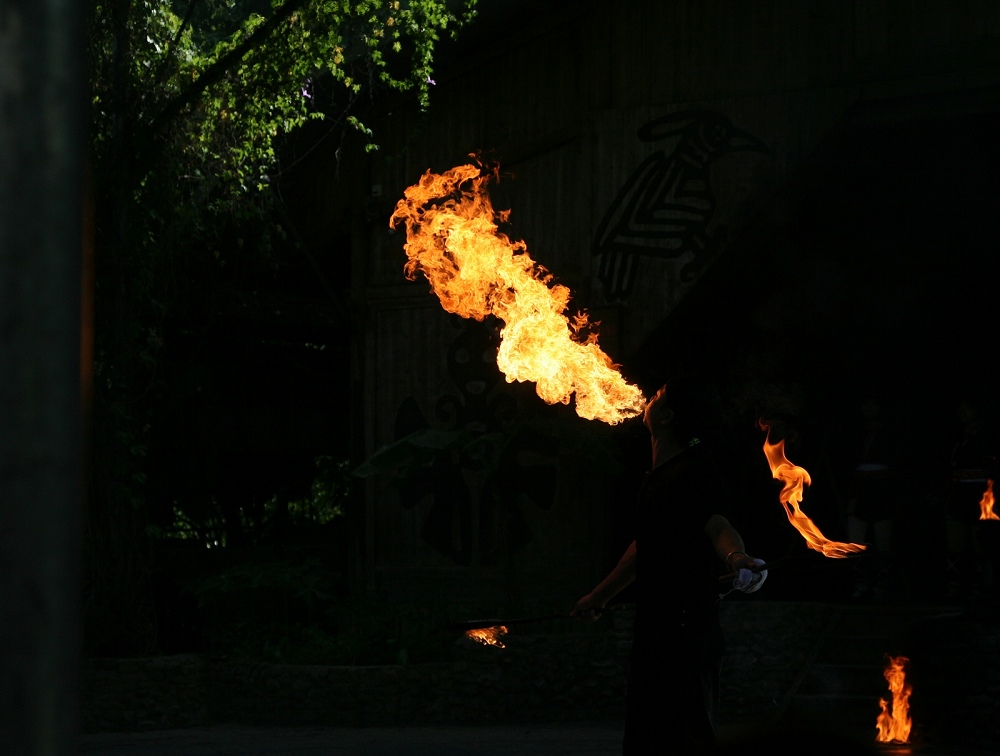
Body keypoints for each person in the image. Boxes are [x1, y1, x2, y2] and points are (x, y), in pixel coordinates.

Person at [572, 375, 767, 754]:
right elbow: (645, 548)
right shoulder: (657, 477)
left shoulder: (693, 470)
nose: (649, 396)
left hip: (685, 629)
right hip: (658, 627)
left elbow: (716, 523)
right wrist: (599, 596)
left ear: (667, 416)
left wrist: (737, 557)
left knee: (687, 736)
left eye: (658, 395)